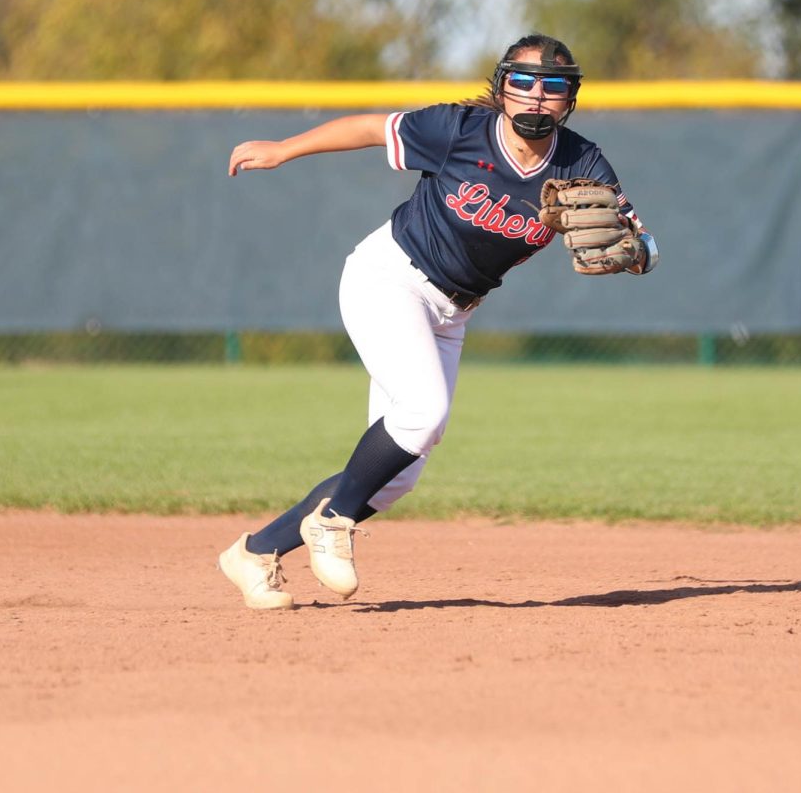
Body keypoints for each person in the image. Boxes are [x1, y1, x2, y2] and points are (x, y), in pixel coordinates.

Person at [218, 33, 658, 609]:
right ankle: (332, 521)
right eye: (522, 82)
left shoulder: (584, 163)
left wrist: (637, 252)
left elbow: (638, 236)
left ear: (569, 98)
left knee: (397, 473)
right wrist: (283, 149)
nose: (535, 97)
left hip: (452, 312)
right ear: (503, 87)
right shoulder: (459, 130)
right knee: (423, 413)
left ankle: (255, 552)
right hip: (390, 277)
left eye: (553, 87)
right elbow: (370, 128)